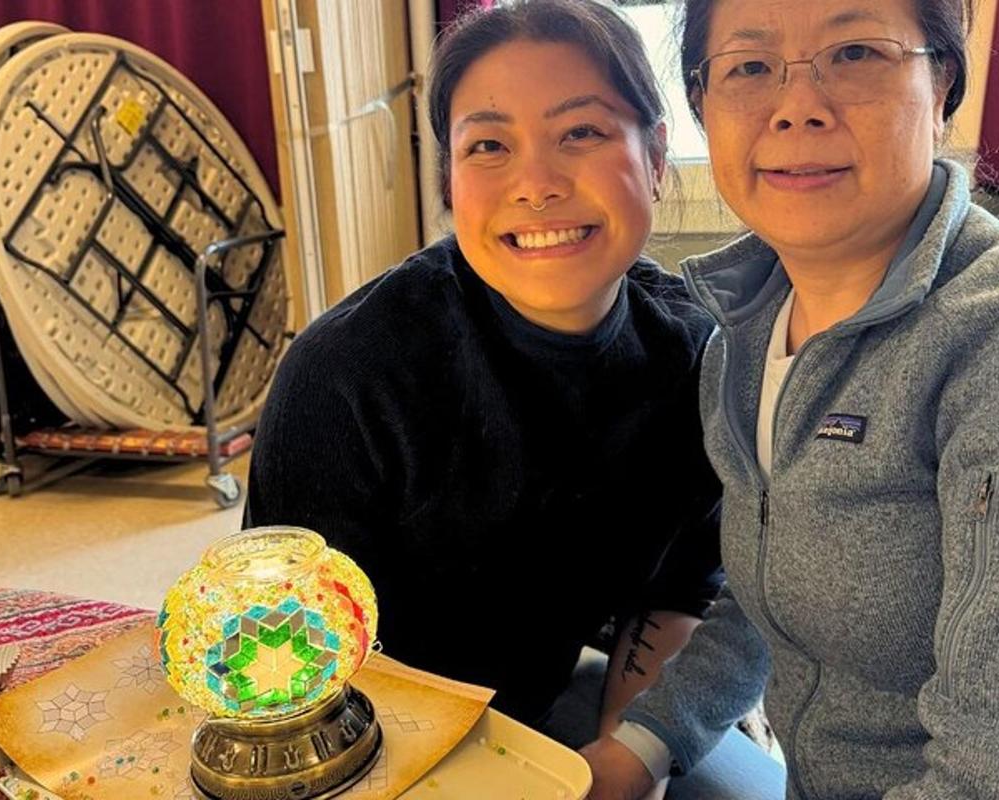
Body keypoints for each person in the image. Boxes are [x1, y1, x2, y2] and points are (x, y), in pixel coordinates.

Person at [581, 0, 999, 798]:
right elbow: (772, 593)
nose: (798, 108)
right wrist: (643, 744)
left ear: (941, 82)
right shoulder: (743, 334)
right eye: (749, 67)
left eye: (855, 53)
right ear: (703, 108)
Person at [246, 1, 783, 796]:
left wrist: (625, 766)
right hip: (370, 747)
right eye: (489, 146)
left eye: (582, 133)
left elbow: (677, 596)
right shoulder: (347, 374)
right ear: (450, 180)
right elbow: (288, 670)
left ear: (658, 155)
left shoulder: (697, 356)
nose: (536, 185)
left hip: (551, 701)